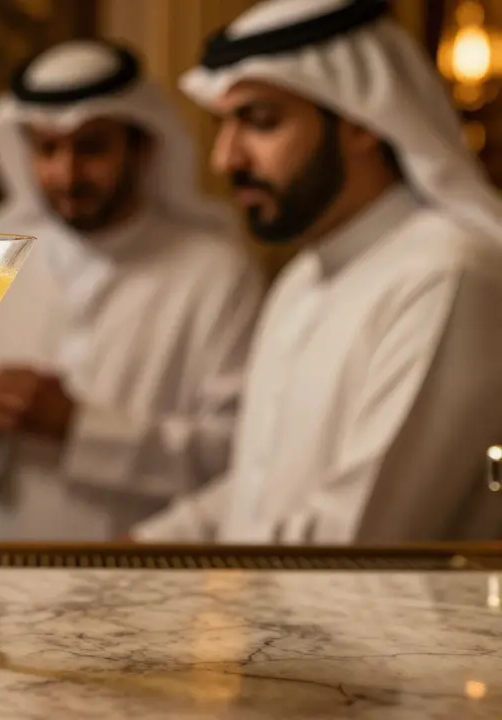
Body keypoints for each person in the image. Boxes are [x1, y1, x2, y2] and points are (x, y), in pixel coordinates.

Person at [134, 0, 502, 544]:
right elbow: (260, 489)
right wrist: (135, 550)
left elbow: (359, 540)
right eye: (224, 125)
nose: (226, 159)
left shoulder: (447, 274)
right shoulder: (303, 276)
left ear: (360, 122)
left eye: (261, 121)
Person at [0, 40, 265, 541]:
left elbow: (238, 456)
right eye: (47, 149)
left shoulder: (216, 271)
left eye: (92, 147)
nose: (67, 174)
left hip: (149, 576)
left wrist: (80, 428)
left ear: (142, 146)